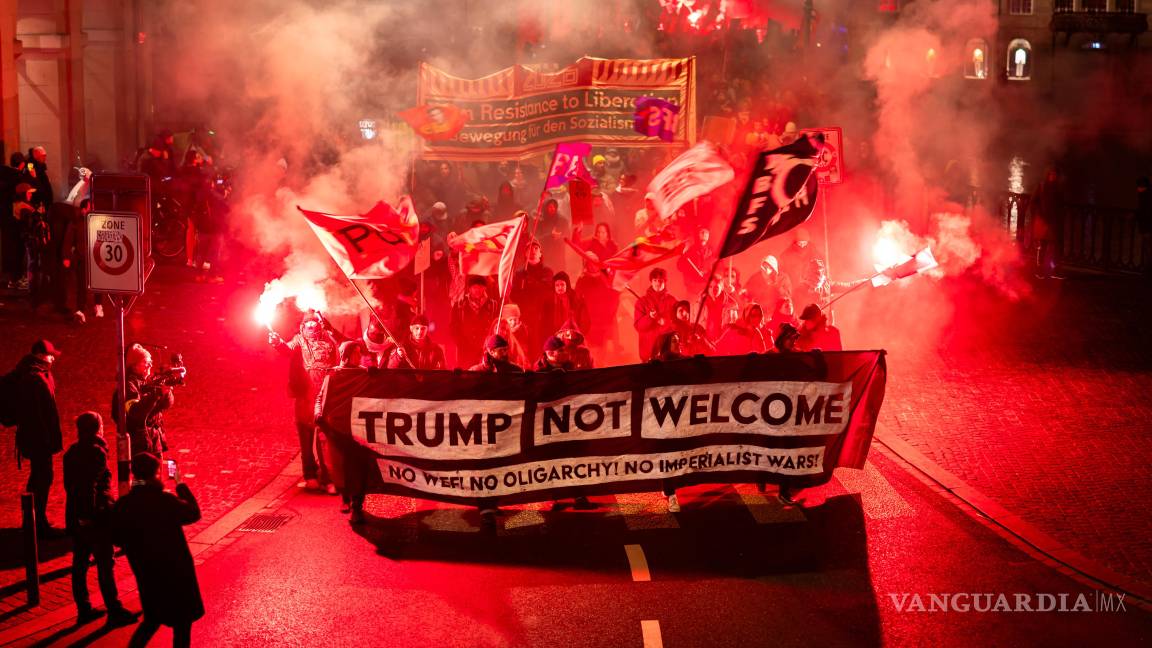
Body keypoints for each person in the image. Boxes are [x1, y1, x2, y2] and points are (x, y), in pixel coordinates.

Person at [112, 452, 203, 648]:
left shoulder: (125, 505)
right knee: (181, 624)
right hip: (175, 572)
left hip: (147, 573)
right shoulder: (165, 501)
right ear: (155, 474)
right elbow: (194, 513)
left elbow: (116, 537)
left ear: (134, 474)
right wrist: (179, 483)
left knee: (151, 620)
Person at [63, 412, 138, 626]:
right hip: (95, 517)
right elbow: (90, 487)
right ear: (97, 429)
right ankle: (114, 609)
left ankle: (84, 608)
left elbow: (70, 487)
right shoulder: (96, 453)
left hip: (76, 515)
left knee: (79, 563)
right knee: (105, 563)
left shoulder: (71, 453)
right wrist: (89, 515)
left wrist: (78, 516)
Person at [269, 312, 342, 492]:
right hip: (305, 395)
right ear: (303, 325)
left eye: (314, 322)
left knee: (324, 438)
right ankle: (310, 475)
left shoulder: (329, 340)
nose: (311, 325)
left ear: (320, 323)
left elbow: (339, 361)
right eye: (307, 322)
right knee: (306, 435)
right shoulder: (299, 340)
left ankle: (328, 478)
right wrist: (277, 342)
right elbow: (286, 350)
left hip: (324, 395)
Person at [9, 339, 65, 536]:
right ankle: (37, 523)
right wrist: (48, 440)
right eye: (50, 355)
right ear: (41, 355)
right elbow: (37, 413)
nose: (52, 359)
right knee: (41, 478)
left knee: (40, 477)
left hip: (36, 437)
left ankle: (34, 521)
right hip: (38, 439)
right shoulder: (34, 377)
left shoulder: (36, 373)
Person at [113, 343, 175, 460]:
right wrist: (157, 394)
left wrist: (166, 393)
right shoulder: (128, 386)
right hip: (140, 444)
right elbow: (136, 412)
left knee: (157, 476)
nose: (150, 365)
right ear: (134, 366)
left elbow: (165, 405)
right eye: (146, 362)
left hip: (152, 440)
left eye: (150, 361)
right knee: (143, 477)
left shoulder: (146, 383)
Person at [60, 198, 103, 322]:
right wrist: (66, 256)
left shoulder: (99, 221)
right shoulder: (76, 222)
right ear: (83, 210)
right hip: (82, 257)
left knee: (99, 283)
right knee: (81, 285)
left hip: (96, 258)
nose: (92, 210)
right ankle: (80, 309)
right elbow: (68, 240)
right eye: (90, 208)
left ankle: (98, 305)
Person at [511, 239, 554, 353]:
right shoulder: (519, 274)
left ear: (540, 253)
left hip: (543, 319)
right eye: (529, 249)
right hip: (525, 318)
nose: (533, 251)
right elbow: (514, 296)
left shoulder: (547, 271)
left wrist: (529, 281)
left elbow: (546, 291)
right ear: (525, 254)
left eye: (536, 248)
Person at [450, 275, 497, 368]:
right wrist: (460, 342)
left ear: (485, 288)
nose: (477, 290)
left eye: (480, 287)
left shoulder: (493, 305)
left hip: (486, 350)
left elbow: (496, 326)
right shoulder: (459, 305)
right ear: (469, 288)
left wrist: (491, 344)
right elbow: (453, 326)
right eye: (474, 287)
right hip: (465, 350)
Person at [633, 268, 678, 362]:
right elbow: (638, 327)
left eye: (660, 280)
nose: (658, 283)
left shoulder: (673, 301)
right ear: (651, 282)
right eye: (655, 280)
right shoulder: (641, 302)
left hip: (667, 354)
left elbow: (678, 325)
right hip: (648, 354)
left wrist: (666, 322)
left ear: (665, 282)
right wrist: (650, 317)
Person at [494, 304, 533, 370]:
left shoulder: (524, 331)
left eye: (515, 319)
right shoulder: (500, 331)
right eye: (510, 320)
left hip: (520, 363)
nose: (513, 322)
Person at [677, 227, 714, 296]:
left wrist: (706, 273)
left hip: (707, 286)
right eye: (702, 232)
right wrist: (693, 271)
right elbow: (680, 266)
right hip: (693, 287)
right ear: (698, 234)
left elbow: (713, 267)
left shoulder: (711, 252)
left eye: (706, 232)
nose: (704, 233)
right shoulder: (690, 250)